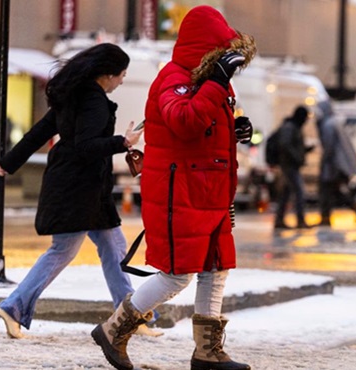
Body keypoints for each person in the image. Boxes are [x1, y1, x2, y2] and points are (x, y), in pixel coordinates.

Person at [91, 6, 256, 370]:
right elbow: (183, 120)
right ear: (205, 47)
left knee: (216, 268)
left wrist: (237, 129)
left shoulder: (212, 81)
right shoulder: (173, 78)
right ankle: (114, 329)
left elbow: (205, 125)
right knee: (177, 273)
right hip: (178, 193)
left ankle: (207, 351)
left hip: (210, 192)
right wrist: (215, 83)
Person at [0, 43, 147, 339]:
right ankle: (13, 307)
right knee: (62, 251)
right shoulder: (93, 101)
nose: (123, 80)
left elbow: (39, 132)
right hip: (79, 191)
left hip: (84, 190)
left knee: (114, 249)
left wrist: (9, 162)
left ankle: (129, 317)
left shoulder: (73, 97)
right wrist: (122, 142)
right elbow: (86, 147)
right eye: (122, 74)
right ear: (108, 74)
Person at [316, 101, 356, 227]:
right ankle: (355, 206)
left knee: (327, 191)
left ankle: (326, 217)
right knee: (336, 191)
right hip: (340, 165)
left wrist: (324, 163)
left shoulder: (328, 125)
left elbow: (329, 147)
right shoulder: (335, 122)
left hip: (334, 165)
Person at [273, 105, 313, 229]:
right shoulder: (290, 128)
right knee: (299, 192)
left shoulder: (292, 127)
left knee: (286, 193)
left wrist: (304, 151)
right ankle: (300, 220)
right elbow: (285, 145)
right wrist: (297, 156)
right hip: (289, 165)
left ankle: (279, 220)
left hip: (289, 164)